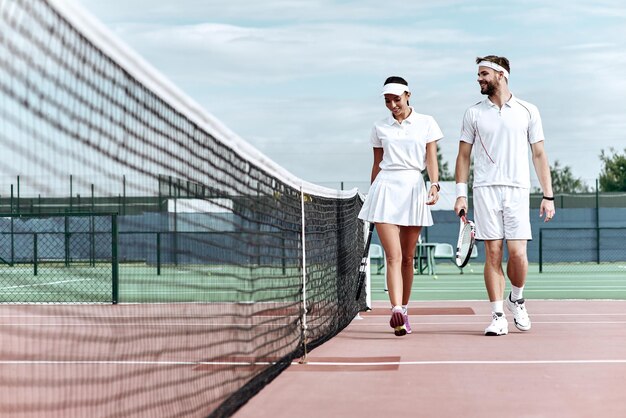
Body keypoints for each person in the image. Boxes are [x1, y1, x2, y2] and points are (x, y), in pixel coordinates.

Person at [454, 55, 556, 336]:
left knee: (518, 254)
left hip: (517, 190)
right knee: (493, 253)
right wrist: (460, 194)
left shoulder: (528, 110)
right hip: (485, 190)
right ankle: (498, 315)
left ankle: (517, 299)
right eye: (478, 75)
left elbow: (539, 153)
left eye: (484, 74)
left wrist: (548, 195)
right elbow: (463, 156)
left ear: (502, 75)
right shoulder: (473, 113)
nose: (479, 79)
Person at [358, 76, 443, 337]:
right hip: (385, 189)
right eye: (387, 101)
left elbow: (431, 159)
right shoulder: (379, 127)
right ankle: (395, 308)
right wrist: (372, 197)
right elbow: (377, 163)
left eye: (396, 99)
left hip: (413, 188)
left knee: (407, 258)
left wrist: (435, 185)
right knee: (392, 256)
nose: (392, 105)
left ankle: (404, 310)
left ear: (408, 95)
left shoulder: (426, 122)